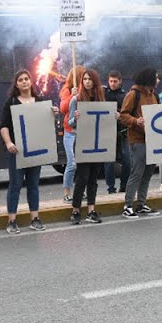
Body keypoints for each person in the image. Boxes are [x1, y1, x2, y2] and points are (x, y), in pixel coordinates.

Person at [0, 70, 63, 232]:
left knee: (33, 185)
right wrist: (8, 143)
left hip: (35, 150)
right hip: (17, 151)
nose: (24, 82)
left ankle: (35, 218)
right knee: (15, 185)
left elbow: (46, 124)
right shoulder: (11, 102)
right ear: (16, 84)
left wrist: (54, 114)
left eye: (26, 79)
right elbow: (4, 126)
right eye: (20, 80)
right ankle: (11, 221)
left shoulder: (40, 101)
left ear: (31, 81)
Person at [119, 68, 159, 217]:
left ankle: (141, 203)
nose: (158, 80)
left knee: (148, 172)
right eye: (156, 77)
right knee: (137, 172)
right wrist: (136, 121)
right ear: (149, 80)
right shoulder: (133, 94)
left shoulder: (154, 95)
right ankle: (128, 205)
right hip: (138, 140)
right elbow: (123, 115)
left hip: (153, 139)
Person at [67, 68, 106, 225]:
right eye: (85, 79)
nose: (87, 82)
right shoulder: (76, 100)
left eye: (90, 79)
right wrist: (75, 118)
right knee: (82, 177)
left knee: (93, 179)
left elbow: (105, 122)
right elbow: (70, 123)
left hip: (97, 142)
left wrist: (113, 116)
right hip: (83, 141)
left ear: (95, 81)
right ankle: (76, 210)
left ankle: (91, 210)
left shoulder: (100, 100)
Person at [58, 66, 84, 203]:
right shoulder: (67, 90)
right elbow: (63, 108)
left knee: (82, 164)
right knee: (72, 163)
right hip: (70, 131)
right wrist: (71, 96)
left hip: (83, 131)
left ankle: (81, 191)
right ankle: (67, 193)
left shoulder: (86, 91)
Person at [102, 70, 130, 194]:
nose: (112, 84)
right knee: (108, 161)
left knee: (127, 160)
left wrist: (120, 115)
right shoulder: (103, 93)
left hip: (122, 131)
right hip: (108, 130)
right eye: (111, 81)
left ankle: (124, 185)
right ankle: (111, 188)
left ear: (120, 81)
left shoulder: (125, 96)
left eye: (115, 81)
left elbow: (129, 113)